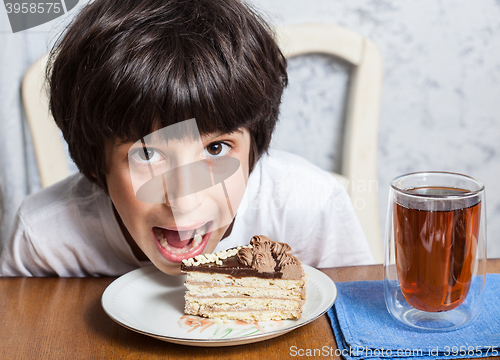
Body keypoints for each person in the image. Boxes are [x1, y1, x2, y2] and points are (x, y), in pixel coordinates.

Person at [0, 0, 373, 277]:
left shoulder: (310, 207)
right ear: (96, 163)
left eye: (215, 148)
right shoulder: (44, 239)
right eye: (147, 154)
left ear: (253, 149)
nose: (184, 200)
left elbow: (356, 324)